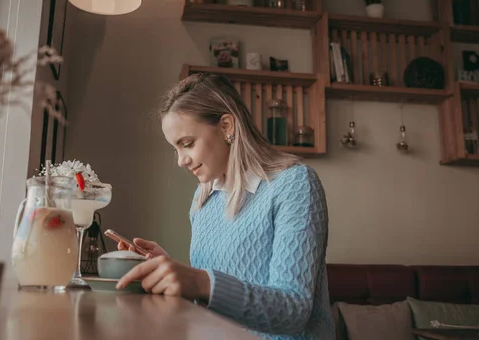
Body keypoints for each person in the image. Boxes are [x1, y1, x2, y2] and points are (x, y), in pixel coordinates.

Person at [116, 72, 334, 340]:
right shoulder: (203, 199)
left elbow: (293, 310)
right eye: (175, 149)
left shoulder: (295, 185)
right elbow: (213, 301)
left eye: (187, 144)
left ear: (227, 127)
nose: (181, 161)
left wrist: (198, 281)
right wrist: (172, 273)